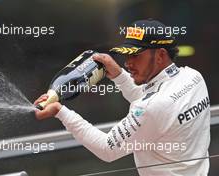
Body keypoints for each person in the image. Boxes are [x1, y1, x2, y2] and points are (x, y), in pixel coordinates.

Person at [34, 19, 210, 176]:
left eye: (135, 55)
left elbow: (106, 149)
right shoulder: (194, 78)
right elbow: (154, 101)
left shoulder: (153, 107)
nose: (128, 63)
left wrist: (60, 111)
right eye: (126, 55)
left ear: (161, 55)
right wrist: (119, 75)